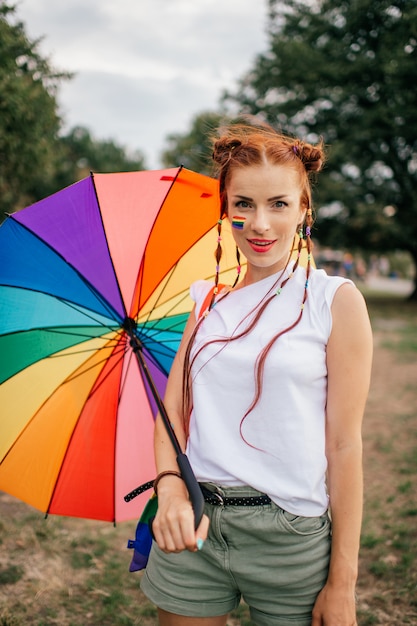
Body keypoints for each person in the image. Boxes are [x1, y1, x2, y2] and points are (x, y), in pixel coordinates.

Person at [140, 119, 373, 626]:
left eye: (279, 204)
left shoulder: (334, 301)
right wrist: (172, 491)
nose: (261, 224)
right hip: (195, 528)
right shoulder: (206, 301)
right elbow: (172, 413)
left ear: (304, 208)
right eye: (243, 204)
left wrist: (343, 582)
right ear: (226, 208)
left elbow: (344, 446)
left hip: (289, 537)